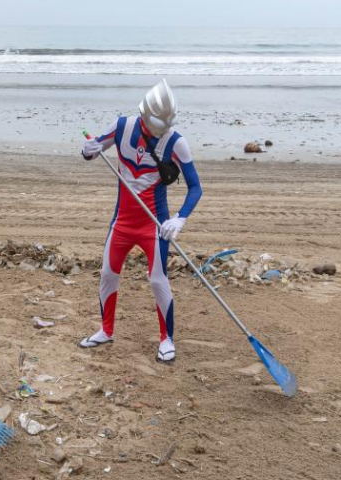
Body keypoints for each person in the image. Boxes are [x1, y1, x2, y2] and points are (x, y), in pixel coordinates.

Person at [78, 79, 202, 363]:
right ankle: (105, 330)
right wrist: (88, 151)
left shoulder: (176, 142)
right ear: (145, 114)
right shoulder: (122, 126)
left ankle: (166, 339)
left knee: (158, 280)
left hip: (154, 225)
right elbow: (93, 148)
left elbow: (196, 187)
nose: (161, 131)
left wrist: (180, 219)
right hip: (122, 221)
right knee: (108, 274)